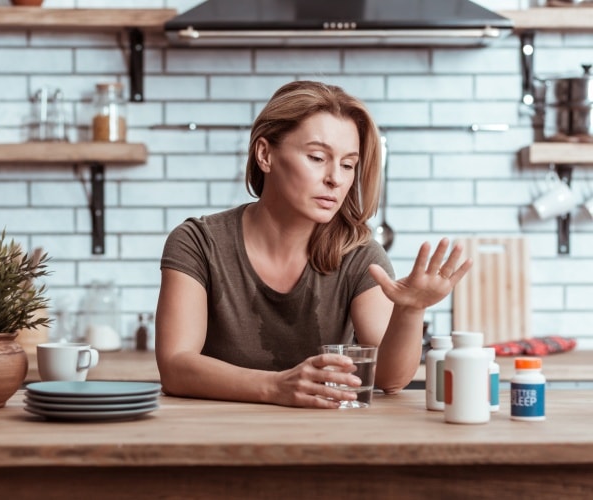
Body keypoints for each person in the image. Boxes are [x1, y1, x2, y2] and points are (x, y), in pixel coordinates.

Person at [155, 80, 472, 409]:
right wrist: (276, 386)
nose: (336, 178)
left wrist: (410, 309)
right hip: (217, 439)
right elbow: (176, 367)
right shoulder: (198, 243)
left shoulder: (360, 255)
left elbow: (389, 379)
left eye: (348, 165)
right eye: (318, 157)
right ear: (265, 154)